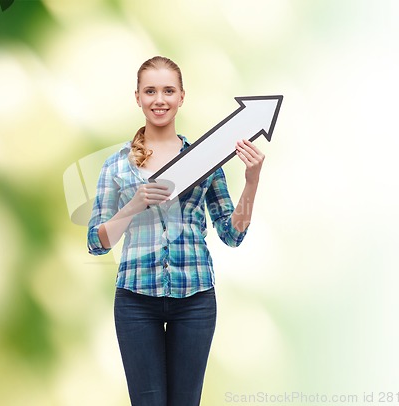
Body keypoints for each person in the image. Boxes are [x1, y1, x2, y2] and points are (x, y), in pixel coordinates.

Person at [87, 56, 265, 406]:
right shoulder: (117, 165)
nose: (159, 99)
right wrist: (134, 204)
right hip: (136, 301)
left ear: (182, 97)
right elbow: (97, 242)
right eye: (150, 91)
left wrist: (252, 180)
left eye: (168, 90)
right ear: (137, 97)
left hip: (195, 300)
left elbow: (232, 233)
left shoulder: (206, 160)